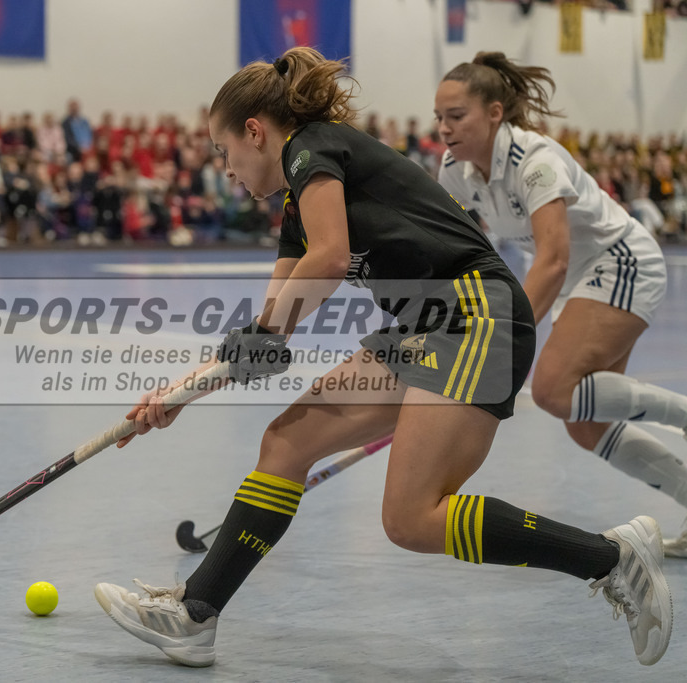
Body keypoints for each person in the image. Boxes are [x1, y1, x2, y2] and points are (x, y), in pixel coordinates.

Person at [93, 47, 672, 668]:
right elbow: (268, 339)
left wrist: (257, 335)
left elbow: (330, 260)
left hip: (477, 315)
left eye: (223, 150)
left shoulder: (311, 148)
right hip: (425, 326)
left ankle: (611, 559)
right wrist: (180, 394)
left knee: (411, 518)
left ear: (254, 132)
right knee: (285, 444)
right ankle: (195, 614)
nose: (226, 169)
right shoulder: (296, 204)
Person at [434, 53, 687, 554]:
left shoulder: (536, 160)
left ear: (494, 113)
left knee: (553, 389)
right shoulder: (454, 172)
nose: (443, 128)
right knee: (587, 425)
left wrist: (502, 338)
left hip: (621, 262)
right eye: (439, 117)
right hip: (581, 280)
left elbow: (552, 259)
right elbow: (456, 255)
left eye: (456, 116)